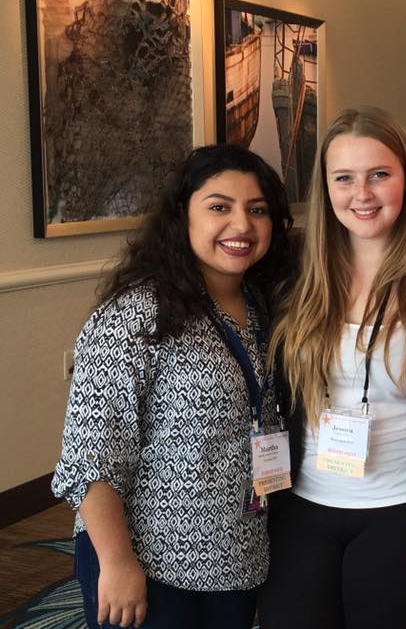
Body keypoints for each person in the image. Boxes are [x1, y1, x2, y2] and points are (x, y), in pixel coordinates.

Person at [52, 145, 295, 629]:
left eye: (258, 209)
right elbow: (89, 458)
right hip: (150, 565)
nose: (241, 225)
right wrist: (118, 565)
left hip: (238, 557)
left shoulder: (267, 308)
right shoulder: (136, 315)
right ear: (182, 216)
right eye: (219, 207)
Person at [258, 107, 406, 629]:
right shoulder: (294, 275)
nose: (361, 194)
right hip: (301, 503)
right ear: (326, 187)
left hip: (402, 507)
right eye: (344, 178)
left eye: (379, 175)